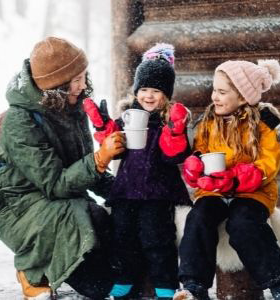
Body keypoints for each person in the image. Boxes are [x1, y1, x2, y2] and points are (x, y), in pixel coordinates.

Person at [0, 37, 125, 300]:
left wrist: (126, 191)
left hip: (64, 201)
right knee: (95, 280)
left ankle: (59, 266)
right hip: (18, 206)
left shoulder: (72, 108)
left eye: (84, 76)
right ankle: (31, 270)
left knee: (107, 227)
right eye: (75, 80)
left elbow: (86, 172)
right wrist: (99, 159)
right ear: (56, 86)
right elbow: (55, 183)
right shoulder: (20, 120)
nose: (83, 85)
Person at [174, 59, 280, 300]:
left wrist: (234, 180)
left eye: (222, 92)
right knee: (198, 217)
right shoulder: (208, 123)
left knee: (243, 224)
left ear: (243, 97)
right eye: (214, 90)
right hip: (213, 191)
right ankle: (193, 287)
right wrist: (196, 166)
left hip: (252, 193)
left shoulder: (262, 126)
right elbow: (200, 151)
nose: (214, 96)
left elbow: (268, 164)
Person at [84, 43, 192, 299]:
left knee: (157, 239)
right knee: (122, 236)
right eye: (144, 89)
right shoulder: (128, 117)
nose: (149, 96)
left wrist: (175, 130)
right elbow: (115, 144)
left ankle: (166, 286)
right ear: (136, 91)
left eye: (156, 90)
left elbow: (173, 154)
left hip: (158, 193)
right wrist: (102, 125)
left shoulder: (169, 121)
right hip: (126, 191)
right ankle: (123, 279)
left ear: (166, 94)